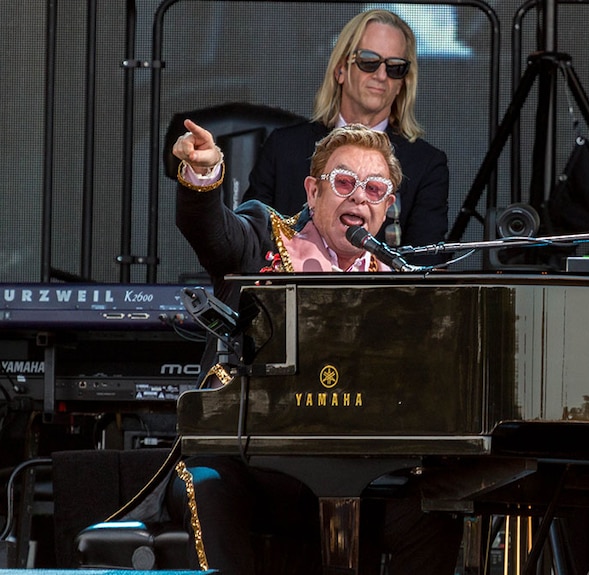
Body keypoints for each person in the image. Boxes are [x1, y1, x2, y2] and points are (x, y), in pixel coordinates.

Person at [170, 121, 463, 575]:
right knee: (207, 482)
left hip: (360, 473)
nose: (358, 197)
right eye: (343, 183)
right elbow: (212, 231)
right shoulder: (266, 239)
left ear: (387, 206)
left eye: (374, 188)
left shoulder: (400, 285)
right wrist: (202, 177)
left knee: (436, 508)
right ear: (312, 192)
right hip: (256, 466)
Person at [241, 9, 448, 264]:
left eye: (395, 67)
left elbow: (424, 266)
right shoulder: (283, 148)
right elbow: (247, 240)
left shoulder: (426, 164)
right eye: (369, 61)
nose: (381, 75)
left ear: (403, 83)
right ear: (340, 69)